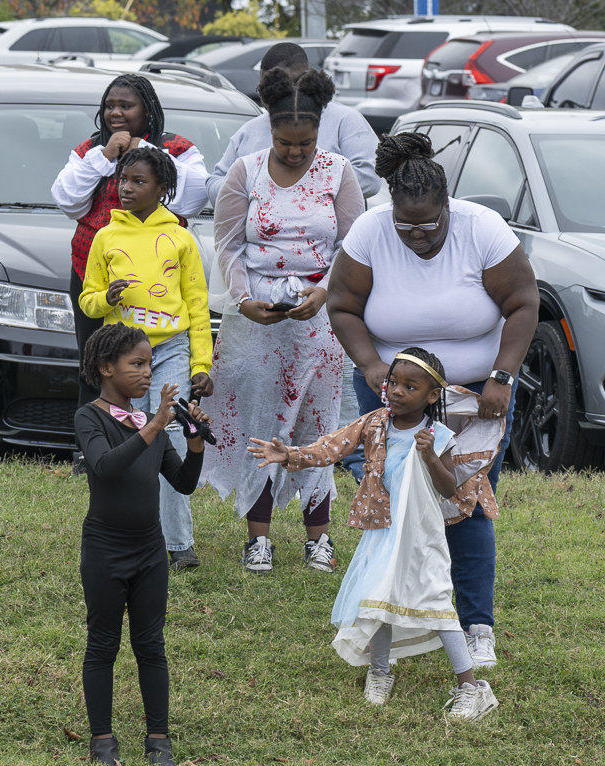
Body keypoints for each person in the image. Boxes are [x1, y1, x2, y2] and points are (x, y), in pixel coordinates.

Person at [326, 131, 540, 670]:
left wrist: (502, 376)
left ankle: (476, 626)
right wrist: (371, 365)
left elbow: (523, 302)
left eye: (429, 226)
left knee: (467, 505)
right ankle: (390, 620)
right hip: (395, 394)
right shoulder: (370, 233)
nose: (417, 237)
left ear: (448, 206)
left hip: (476, 396)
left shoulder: (482, 229)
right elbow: (342, 305)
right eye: (406, 226)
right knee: (394, 505)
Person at [248, 349, 498, 720]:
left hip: (421, 533)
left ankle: (473, 688)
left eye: (410, 386)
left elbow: (449, 489)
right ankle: (380, 671)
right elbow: (333, 446)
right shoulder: (375, 423)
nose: (396, 391)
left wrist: (431, 457)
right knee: (377, 598)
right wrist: (291, 455)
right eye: (393, 382)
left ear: (432, 395)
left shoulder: (439, 435)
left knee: (437, 601)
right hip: (383, 530)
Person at [199, 67, 365, 574]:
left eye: (305, 143)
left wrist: (326, 291)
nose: (296, 152)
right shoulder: (244, 172)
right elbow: (228, 246)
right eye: (285, 143)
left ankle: (319, 538)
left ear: (319, 131)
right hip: (257, 319)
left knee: (317, 423)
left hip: (318, 319)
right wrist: (244, 299)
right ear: (269, 129)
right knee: (261, 424)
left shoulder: (338, 172)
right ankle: (259, 539)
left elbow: (351, 246)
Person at [73, 323, 211, 766]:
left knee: (151, 644)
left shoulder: (149, 425)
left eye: (150, 364)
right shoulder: (90, 417)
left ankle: (159, 740)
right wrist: (154, 424)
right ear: (105, 367)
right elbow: (106, 466)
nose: (147, 372)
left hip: (150, 550)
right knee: (103, 644)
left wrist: (194, 443)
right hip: (105, 549)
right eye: (137, 363)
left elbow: (183, 483)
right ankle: (102, 741)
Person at [79, 146, 212, 570]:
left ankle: (179, 544)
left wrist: (201, 366)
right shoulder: (105, 236)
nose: (127, 188)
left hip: (171, 347)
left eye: (139, 181)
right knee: (129, 441)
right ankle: (129, 531)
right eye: (123, 180)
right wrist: (105, 298)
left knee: (172, 435)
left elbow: (197, 305)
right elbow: (87, 301)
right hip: (122, 353)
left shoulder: (180, 238)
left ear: (163, 188)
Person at [51, 73, 209, 424]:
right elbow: (67, 200)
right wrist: (105, 156)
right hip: (96, 272)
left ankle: (155, 439)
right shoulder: (90, 149)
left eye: (126, 105)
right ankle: (94, 440)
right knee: (96, 363)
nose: (116, 113)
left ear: (147, 110)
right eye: (110, 105)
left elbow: (193, 198)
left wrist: (146, 152)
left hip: (159, 276)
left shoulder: (177, 148)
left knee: (152, 369)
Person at [205, 42, 381, 205]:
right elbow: (215, 183)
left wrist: (296, 187)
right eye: (265, 87)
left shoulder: (345, 120)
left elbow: (369, 178)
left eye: (282, 86)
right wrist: (254, 187)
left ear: (306, 78)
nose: (272, 94)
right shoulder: (250, 130)